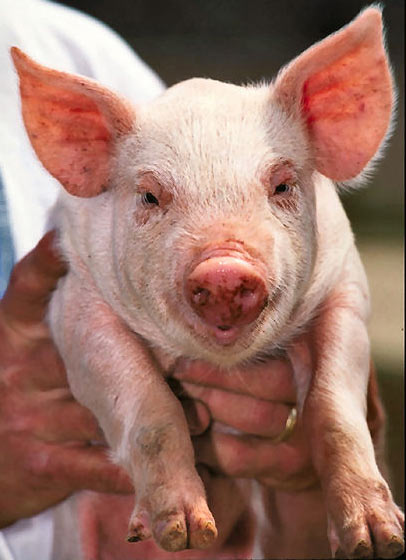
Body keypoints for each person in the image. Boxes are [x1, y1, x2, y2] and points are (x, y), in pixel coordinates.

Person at [0, 1, 386, 559]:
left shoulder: (78, 48)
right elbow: (86, 302)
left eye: (281, 189)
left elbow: (342, 297)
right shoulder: (94, 207)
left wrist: (341, 438)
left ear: (337, 116)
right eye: (154, 199)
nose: (226, 265)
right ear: (80, 141)